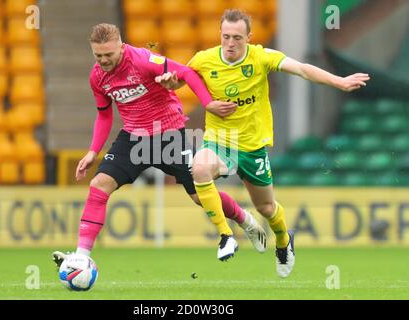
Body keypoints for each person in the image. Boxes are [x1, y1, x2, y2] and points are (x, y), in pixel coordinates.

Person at [156, 9, 370, 278]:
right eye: (225, 37)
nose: (230, 43)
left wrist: (338, 80)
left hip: (253, 146)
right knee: (198, 169)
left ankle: (283, 241)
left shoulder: (261, 57)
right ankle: (226, 235)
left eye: (237, 37)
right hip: (220, 141)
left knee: (267, 208)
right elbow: (181, 81)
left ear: (249, 37)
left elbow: (302, 69)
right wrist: (169, 83)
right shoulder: (204, 59)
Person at [52, 23, 267, 268]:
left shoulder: (143, 60)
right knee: (98, 185)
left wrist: (207, 103)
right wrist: (93, 152)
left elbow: (187, 73)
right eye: (98, 55)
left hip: (168, 134)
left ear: (121, 47)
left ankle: (246, 220)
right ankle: (82, 256)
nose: (103, 60)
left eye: (108, 55)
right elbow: (104, 115)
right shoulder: (97, 76)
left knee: (200, 196)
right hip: (133, 137)